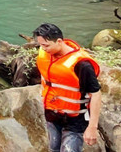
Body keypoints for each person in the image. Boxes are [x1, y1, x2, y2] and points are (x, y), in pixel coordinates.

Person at [34, 23, 102, 152]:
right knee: (53, 149)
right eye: (41, 45)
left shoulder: (82, 64)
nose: (43, 48)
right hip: (52, 115)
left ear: (59, 41)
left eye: (46, 45)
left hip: (75, 119)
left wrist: (92, 127)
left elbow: (96, 94)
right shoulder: (45, 55)